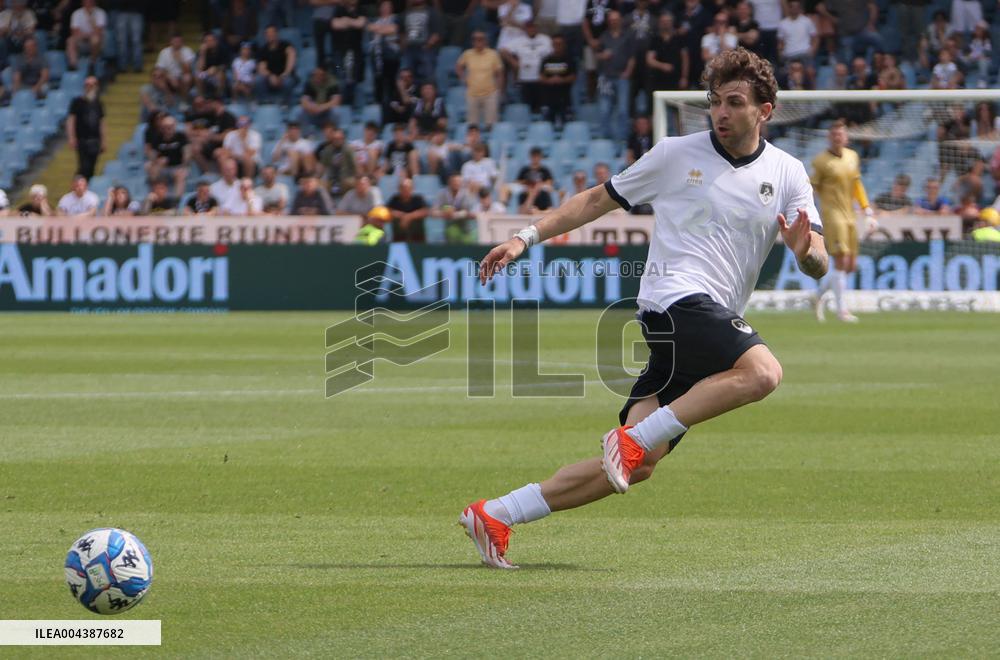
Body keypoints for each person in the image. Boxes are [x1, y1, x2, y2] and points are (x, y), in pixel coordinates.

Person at [462, 47, 828, 569]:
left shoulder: (788, 173)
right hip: (674, 302)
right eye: (714, 102)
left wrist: (804, 251)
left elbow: (819, 260)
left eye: (734, 102)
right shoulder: (675, 154)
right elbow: (596, 199)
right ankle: (630, 441)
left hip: (706, 326)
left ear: (764, 110)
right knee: (763, 372)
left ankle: (495, 514)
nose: (721, 112)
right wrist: (524, 238)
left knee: (639, 465)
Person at [809, 121, 876, 324]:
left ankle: (818, 295)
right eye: (835, 134)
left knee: (850, 266)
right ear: (829, 137)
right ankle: (842, 311)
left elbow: (857, 184)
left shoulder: (852, 157)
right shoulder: (821, 162)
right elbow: (812, 188)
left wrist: (866, 209)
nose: (838, 138)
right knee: (841, 260)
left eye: (841, 134)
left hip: (850, 214)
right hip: (832, 215)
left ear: (846, 137)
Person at [595, 11, 634, 143]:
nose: (614, 21)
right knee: (604, 109)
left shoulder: (627, 36)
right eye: (611, 19)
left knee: (623, 109)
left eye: (616, 19)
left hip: (622, 77)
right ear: (608, 21)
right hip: (605, 78)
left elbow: (632, 57)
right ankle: (605, 138)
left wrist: (628, 72)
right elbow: (597, 55)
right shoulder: (604, 36)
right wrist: (602, 56)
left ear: (620, 20)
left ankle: (622, 138)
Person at [457, 30, 503, 129]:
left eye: (481, 39)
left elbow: (499, 73)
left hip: (490, 93)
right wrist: (463, 79)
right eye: (475, 39)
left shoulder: (493, 54)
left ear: (485, 41)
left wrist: (498, 88)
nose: (478, 41)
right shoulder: (467, 54)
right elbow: (459, 66)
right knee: (472, 125)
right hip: (472, 93)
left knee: (491, 125)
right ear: (472, 41)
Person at [67, 76, 105, 179]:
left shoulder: (98, 103)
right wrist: (71, 137)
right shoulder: (77, 102)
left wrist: (103, 140)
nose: (90, 87)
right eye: (87, 85)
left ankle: (85, 188)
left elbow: (101, 122)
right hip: (82, 140)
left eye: (92, 85)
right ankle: (78, 186)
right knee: (84, 167)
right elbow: (71, 120)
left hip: (95, 140)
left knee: (92, 168)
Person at [144, 114, 191, 199]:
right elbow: (153, 155)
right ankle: (153, 198)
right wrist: (156, 161)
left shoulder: (181, 137)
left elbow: (187, 153)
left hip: (177, 167)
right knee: (149, 167)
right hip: (162, 168)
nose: (169, 128)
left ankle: (176, 201)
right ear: (162, 127)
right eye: (166, 126)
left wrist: (184, 166)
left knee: (181, 174)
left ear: (175, 126)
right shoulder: (158, 138)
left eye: (171, 126)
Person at [255, 25, 298, 105]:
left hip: (285, 76)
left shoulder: (286, 45)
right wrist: (271, 76)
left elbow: (291, 57)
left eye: (272, 32)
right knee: (258, 80)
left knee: (288, 81)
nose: (270, 35)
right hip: (270, 78)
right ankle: (265, 103)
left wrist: (284, 74)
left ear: (277, 33)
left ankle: (285, 104)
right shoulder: (263, 50)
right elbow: (262, 68)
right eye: (268, 33)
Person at [432, 173, 476, 243]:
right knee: (452, 233)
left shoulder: (466, 194)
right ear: (449, 183)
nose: (456, 184)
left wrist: (453, 214)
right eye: (454, 182)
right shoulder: (442, 194)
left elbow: (469, 212)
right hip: (449, 227)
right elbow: (434, 212)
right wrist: (444, 213)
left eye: (459, 182)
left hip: (466, 229)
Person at [67, 0, 106, 72]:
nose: (89, 3)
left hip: (95, 42)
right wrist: (87, 35)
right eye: (87, 1)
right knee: (70, 40)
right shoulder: (76, 13)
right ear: (83, 2)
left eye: (91, 1)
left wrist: (91, 18)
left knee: (95, 39)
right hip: (81, 40)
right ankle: (73, 65)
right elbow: (74, 32)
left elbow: (99, 32)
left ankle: (92, 63)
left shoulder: (100, 13)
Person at [387, 177, 429, 242]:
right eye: (403, 188)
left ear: (412, 189)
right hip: (398, 237)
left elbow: (425, 211)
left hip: (418, 238)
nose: (405, 190)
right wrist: (402, 216)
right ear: (399, 189)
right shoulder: (394, 199)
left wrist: (409, 217)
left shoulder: (418, 199)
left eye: (408, 188)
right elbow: (387, 210)